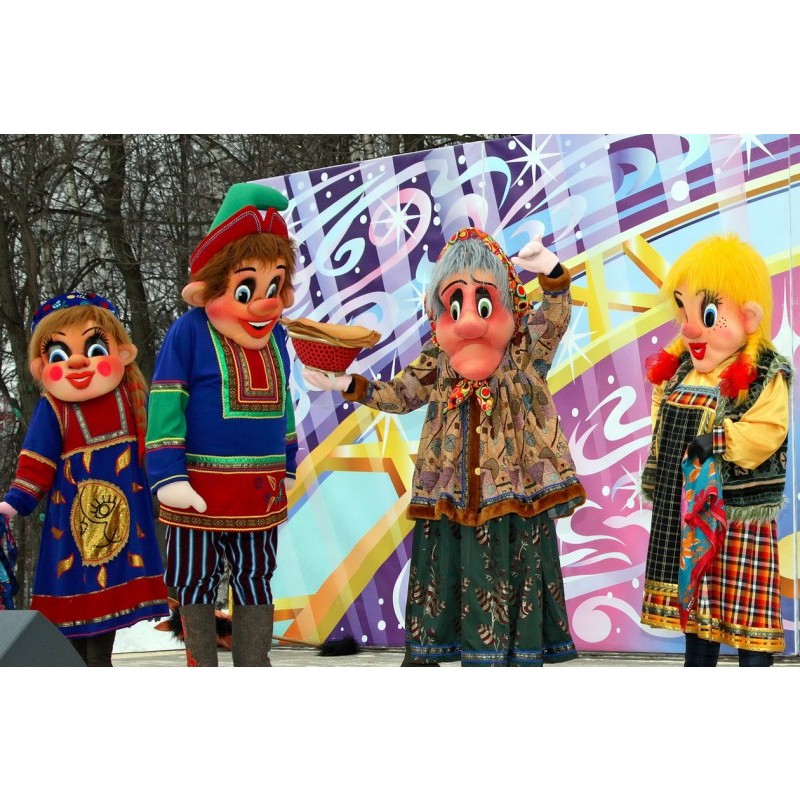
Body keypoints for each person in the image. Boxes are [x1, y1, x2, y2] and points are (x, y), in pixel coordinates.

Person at [305, 227, 586, 666]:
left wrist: (551, 273)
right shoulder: (439, 357)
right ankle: (449, 648)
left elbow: (554, 318)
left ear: (507, 302)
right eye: (455, 305)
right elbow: (401, 393)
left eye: (484, 303)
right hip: (449, 491)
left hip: (512, 493)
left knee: (507, 563)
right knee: (453, 565)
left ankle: (506, 654)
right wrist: (347, 384)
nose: (469, 320)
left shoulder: (523, 350)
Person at [145, 182, 298, 667]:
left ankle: (254, 663)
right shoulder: (189, 331)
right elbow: (166, 403)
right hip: (199, 487)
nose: (264, 302)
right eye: (248, 288)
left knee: (256, 575)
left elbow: (284, 403)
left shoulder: (276, 339)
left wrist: (288, 461)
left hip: (259, 489)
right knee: (194, 578)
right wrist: (168, 475)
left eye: (274, 287)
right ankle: (202, 666)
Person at [640, 233, 791, 666]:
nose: (690, 328)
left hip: (738, 515)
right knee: (699, 610)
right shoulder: (680, 369)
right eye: (684, 311)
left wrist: (717, 440)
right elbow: (660, 419)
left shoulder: (764, 372)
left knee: (745, 612)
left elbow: (767, 431)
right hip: (690, 512)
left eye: (707, 314)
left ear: (749, 315)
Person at [0, 292, 169, 666]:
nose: (77, 361)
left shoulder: (133, 399)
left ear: (121, 352)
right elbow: (37, 461)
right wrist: (14, 502)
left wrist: (172, 483)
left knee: (104, 618)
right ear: (41, 366)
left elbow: (161, 446)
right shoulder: (54, 408)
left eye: (94, 349)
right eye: (59, 354)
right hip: (72, 531)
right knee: (74, 611)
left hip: (125, 527)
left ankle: (97, 668)